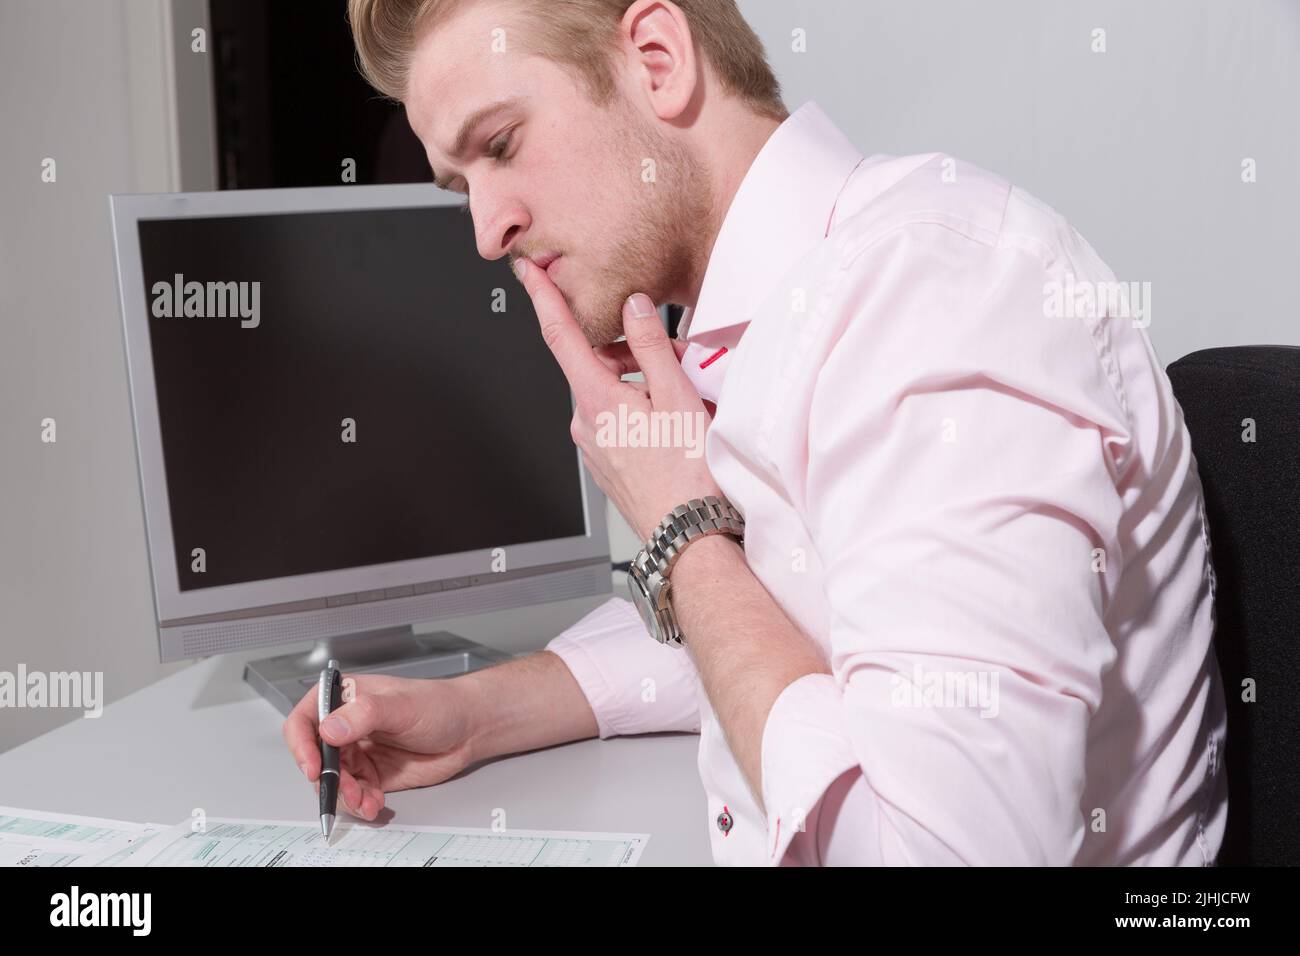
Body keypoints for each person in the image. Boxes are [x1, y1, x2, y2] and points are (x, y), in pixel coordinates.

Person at [284, 0, 1227, 865]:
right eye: (460, 187)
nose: (486, 232)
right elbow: (790, 632)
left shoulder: (936, 297)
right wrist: (472, 714)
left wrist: (679, 528)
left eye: (500, 143)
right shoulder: (750, 319)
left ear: (656, 60)